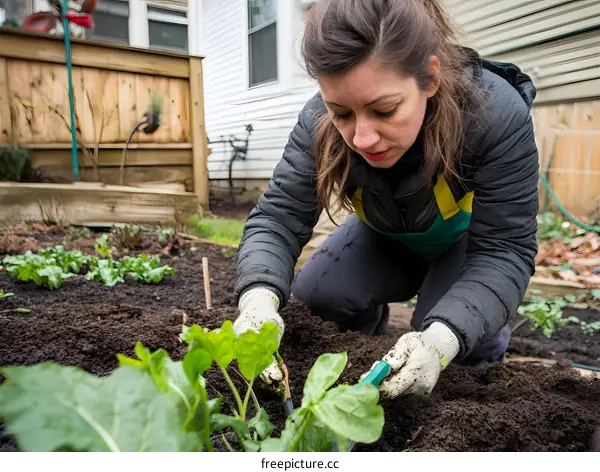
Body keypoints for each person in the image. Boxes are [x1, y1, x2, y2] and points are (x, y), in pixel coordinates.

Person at [231, 0, 539, 400]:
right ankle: (372, 350)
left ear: (430, 77)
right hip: (387, 237)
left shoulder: (493, 115)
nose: (361, 138)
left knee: (453, 332)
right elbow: (277, 218)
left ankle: (481, 354)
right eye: (341, 113)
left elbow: (505, 249)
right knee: (317, 298)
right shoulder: (316, 122)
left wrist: (440, 341)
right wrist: (256, 298)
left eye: (385, 110)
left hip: (464, 247)